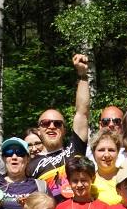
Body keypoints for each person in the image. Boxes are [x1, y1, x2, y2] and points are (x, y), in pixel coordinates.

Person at [28, 54, 91, 197]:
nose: (51, 126)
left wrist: (83, 75)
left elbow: (82, 112)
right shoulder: (30, 165)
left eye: (57, 123)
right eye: (45, 123)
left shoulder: (75, 148)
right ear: (39, 130)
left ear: (64, 129)